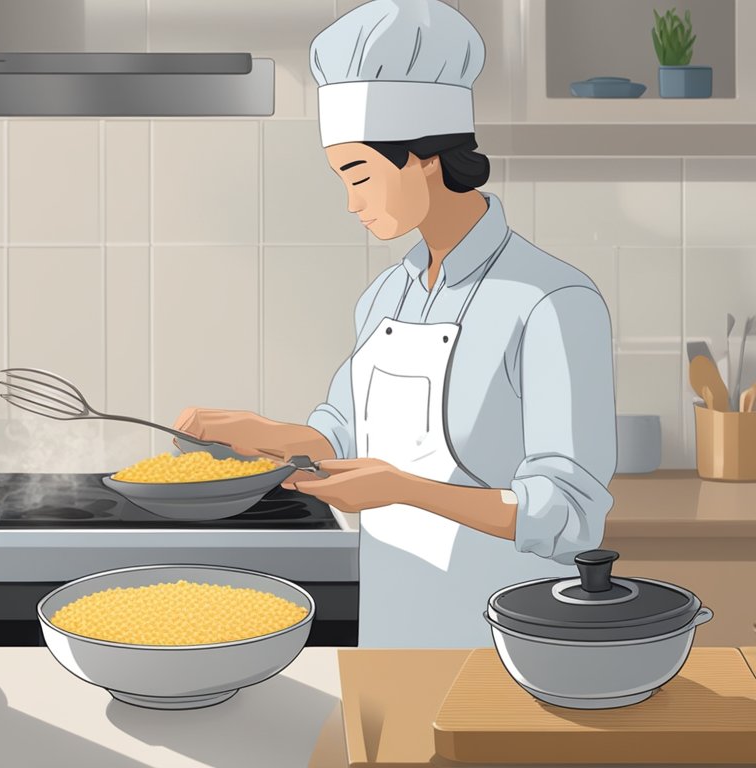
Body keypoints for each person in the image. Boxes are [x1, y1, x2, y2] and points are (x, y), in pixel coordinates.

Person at [174, 0, 617, 648]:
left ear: (426, 157)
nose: (351, 203)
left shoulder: (550, 301)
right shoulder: (385, 296)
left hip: (505, 644)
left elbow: (572, 516)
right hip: (390, 629)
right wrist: (257, 432)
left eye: (360, 174)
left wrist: (404, 491)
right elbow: (344, 439)